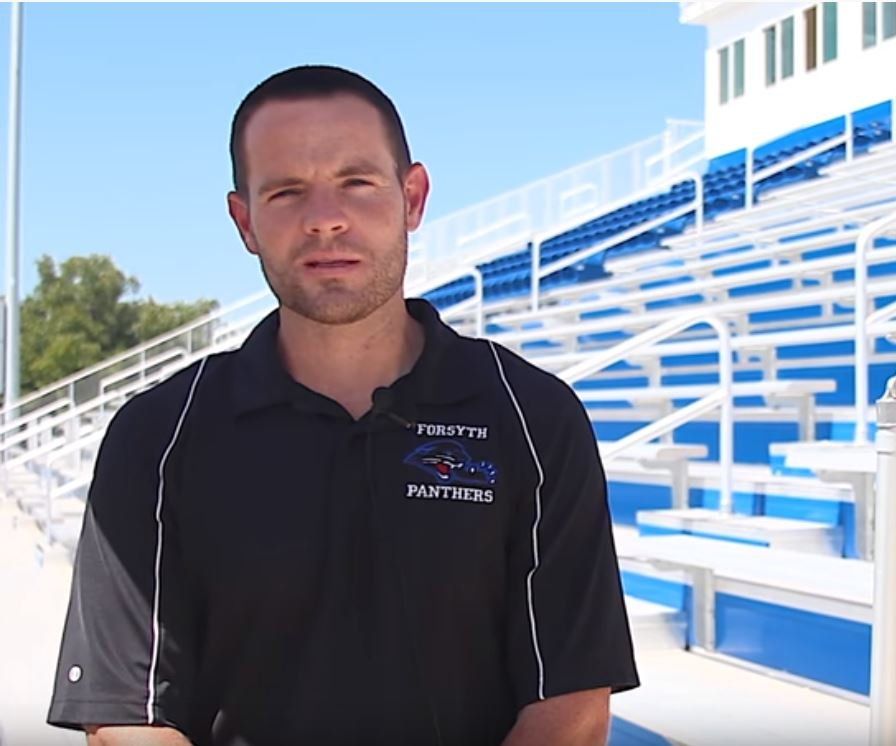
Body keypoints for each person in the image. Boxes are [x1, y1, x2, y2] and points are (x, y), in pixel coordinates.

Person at [47, 65, 639, 745]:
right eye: (286, 192)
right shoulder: (156, 436)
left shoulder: (534, 417)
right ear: (245, 221)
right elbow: (128, 716)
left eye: (356, 183)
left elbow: (571, 705)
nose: (325, 218)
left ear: (412, 197)